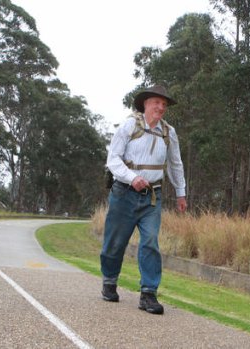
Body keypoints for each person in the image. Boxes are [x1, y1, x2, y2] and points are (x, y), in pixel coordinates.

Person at [100, 85, 187, 315]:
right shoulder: (129, 125)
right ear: (145, 104)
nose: (160, 107)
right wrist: (132, 177)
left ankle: (148, 294)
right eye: (156, 102)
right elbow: (113, 160)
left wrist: (181, 193)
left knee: (150, 242)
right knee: (114, 243)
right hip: (123, 194)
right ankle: (109, 280)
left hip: (152, 197)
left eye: (164, 104)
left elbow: (176, 164)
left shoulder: (169, 133)